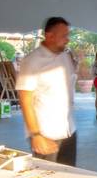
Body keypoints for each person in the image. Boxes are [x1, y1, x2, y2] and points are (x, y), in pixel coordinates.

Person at [16, 17, 77, 166]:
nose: (67, 40)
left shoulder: (65, 57)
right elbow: (25, 101)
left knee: (70, 177)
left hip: (69, 131)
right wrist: (36, 135)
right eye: (64, 36)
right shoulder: (31, 61)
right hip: (46, 134)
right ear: (49, 36)